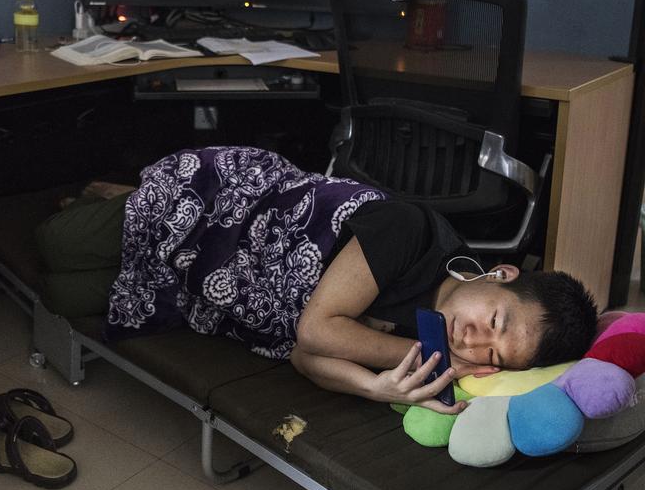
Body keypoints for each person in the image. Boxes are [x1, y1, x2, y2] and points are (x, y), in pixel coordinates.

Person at [36, 146, 598, 415]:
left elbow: (302, 360)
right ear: (501, 275)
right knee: (54, 245)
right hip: (222, 207)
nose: (473, 343)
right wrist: (429, 362)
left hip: (219, 282)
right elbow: (315, 332)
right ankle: (124, 196)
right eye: (494, 321)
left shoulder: (432, 339)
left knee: (62, 293)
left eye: (494, 357)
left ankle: (124, 211)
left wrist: (377, 386)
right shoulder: (411, 234)